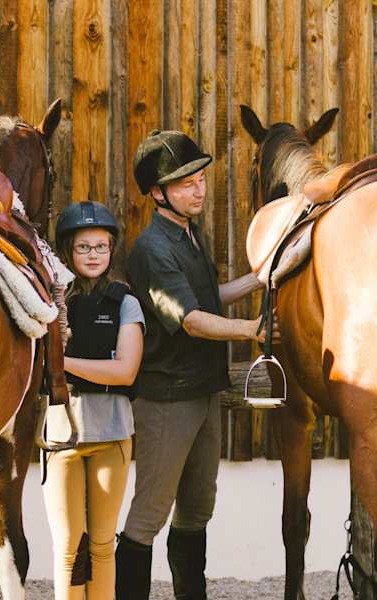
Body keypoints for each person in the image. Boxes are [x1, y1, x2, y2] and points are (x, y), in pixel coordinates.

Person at [115, 130, 265, 600]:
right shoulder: (152, 249)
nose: (199, 189)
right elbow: (194, 321)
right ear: (158, 193)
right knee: (148, 517)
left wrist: (263, 276)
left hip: (204, 390)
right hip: (167, 398)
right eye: (186, 183)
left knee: (197, 510)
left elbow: (206, 298)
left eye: (200, 179)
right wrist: (250, 331)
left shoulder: (189, 235)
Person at [43, 201, 144, 600]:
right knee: (69, 546)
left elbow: (125, 372)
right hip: (61, 434)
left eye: (101, 247)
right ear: (68, 251)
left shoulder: (125, 302)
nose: (93, 255)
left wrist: (60, 363)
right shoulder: (50, 302)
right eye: (84, 248)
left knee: (102, 544)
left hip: (112, 431)